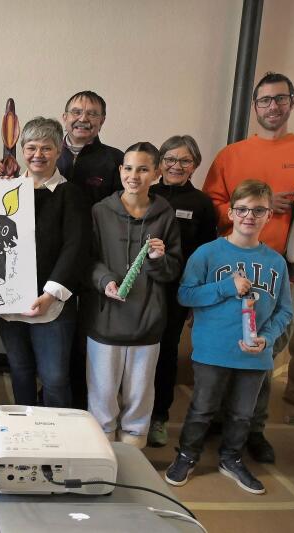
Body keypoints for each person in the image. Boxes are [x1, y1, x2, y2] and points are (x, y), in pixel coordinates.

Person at [202, 72, 294, 463]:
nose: (272, 106)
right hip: (230, 268)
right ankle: (216, 419)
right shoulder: (232, 154)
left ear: (292, 102)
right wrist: (255, 205)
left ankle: (252, 428)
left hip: (282, 271)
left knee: (265, 349)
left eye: (280, 99)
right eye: (264, 100)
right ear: (255, 107)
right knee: (225, 343)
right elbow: (210, 205)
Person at [165, 180, 293, 495]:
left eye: (258, 210)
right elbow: (185, 295)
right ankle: (187, 454)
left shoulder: (275, 261)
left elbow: (285, 311)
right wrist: (225, 287)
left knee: (242, 413)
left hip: (256, 353)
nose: (250, 216)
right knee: (203, 407)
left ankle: (231, 458)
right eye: (243, 209)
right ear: (232, 213)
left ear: (268, 216)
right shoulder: (207, 253)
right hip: (212, 350)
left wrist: (268, 337)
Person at [85, 142, 182, 448]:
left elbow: (173, 269)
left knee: (140, 392)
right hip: (105, 320)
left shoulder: (165, 215)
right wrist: (105, 281)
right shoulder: (100, 211)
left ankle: (133, 449)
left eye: (143, 169)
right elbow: (87, 260)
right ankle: (102, 450)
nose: (134, 175)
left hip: (147, 320)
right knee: (102, 392)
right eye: (128, 168)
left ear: (156, 174)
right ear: (120, 171)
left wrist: (158, 260)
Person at [0, 117, 91, 409]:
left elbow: (76, 248)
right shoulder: (3, 191)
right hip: (10, 304)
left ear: (59, 151)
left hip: (52, 304)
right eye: (31, 147)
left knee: (55, 378)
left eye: (46, 148)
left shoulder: (70, 194)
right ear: (22, 150)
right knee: (20, 370)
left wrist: (50, 295)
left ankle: (57, 439)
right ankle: (24, 434)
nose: (38, 155)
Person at [147, 135, 217, 447]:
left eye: (184, 160)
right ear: (159, 163)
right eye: (170, 159)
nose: (176, 166)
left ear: (195, 166)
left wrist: (195, 297)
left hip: (175, 292)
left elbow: (204, 254)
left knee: (165, 353)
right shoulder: (143, 192)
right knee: (133, 353)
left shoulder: (202, 204)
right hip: (139, 288)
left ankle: (158, 417)